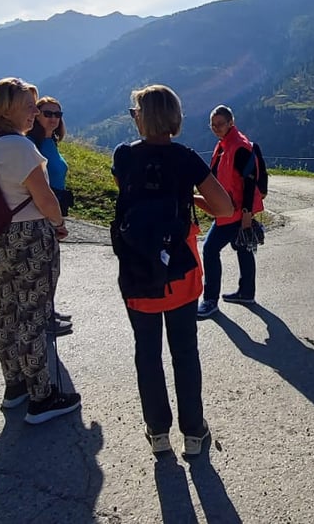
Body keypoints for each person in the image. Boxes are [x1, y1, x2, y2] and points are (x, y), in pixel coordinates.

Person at [111, 85, 232, 456]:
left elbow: (131, 196)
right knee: (185, 351)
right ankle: (193, 433)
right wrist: (187, 195)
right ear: (175, 117)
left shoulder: (123, 155)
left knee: (147, 353)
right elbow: (225, 208)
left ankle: (158, 432)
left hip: (137, 271)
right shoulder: (185, 158)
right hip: (180, 271)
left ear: (141, 117)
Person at [0, 77, 81, 424]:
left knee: (8, 308)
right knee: (35, 315)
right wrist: (58, 223)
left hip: (3, 236)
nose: (34, 113)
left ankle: (15, 386)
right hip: (31, 236)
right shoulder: (21, 147)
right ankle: (42, 397)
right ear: (8, 108)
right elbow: (45, 198)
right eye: (28, 106)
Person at [196, 105, 265, 319]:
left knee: (210, 249)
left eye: (220, 124)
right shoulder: (225, 144)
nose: (216, 128)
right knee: (243, 247)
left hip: (233, 212)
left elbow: (249, 182)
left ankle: (210, 300)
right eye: (213, 125)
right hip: (229, 209)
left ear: (230, 123)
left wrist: (246, 215)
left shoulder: (239, 146)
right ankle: (246, 293)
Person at [28, 96, 73, 335]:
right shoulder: (32, 144)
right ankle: (44, 320)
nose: (53, 118)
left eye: (58, 114)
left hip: (54, 206)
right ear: (36, 115)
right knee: (44, 266)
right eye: (48, 113)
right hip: (42, 210)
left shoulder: (50, 141)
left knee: (51, 265)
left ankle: (48, 310)